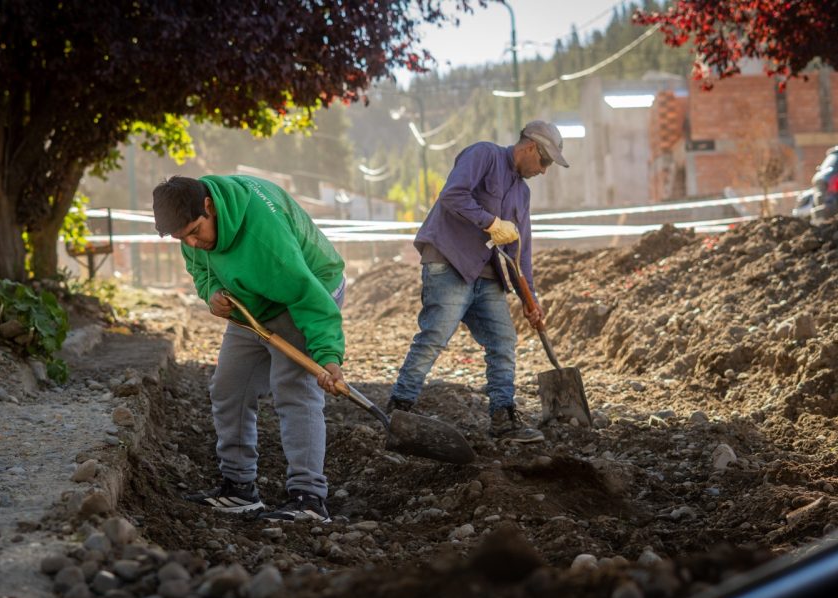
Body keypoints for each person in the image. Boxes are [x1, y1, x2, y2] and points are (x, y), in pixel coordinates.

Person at [152, 174, 346, 523]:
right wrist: (211, 292)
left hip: (305, 294)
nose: (192, 243)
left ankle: (309, 498)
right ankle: (239, 488)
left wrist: (327, 356)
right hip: (251, 303)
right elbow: (201, 269)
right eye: (184, 239)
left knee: (293, 389)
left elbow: (308, 298)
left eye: (195, 232)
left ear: (209, 207)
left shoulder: (265, 240)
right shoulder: (191, 224)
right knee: (229, 388)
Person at [387, 120, 569, 443]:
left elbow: (519, 251)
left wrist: (531, 299)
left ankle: (503, 416)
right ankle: (397, 409)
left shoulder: (522, 195)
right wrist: (491, 223)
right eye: (545, 162)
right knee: (435, 336)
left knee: (503, 339)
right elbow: (451, 195)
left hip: (485, 273)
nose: (544, 171)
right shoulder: (484, 155)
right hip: (449, 259)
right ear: (530, 148)